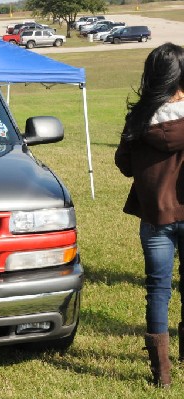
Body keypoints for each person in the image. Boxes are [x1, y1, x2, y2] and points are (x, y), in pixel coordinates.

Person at [115, 42, 184, 388]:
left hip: (154, 217)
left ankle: (162, 373)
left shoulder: (138, 118)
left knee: (158, 290)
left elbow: (124, 165)